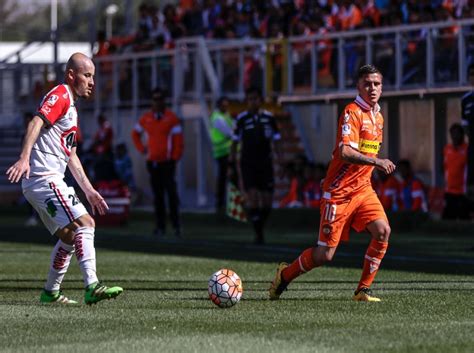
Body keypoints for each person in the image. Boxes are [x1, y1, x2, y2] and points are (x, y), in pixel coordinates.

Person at [269, 64, 396, 302]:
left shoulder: (378, 117)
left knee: (383, 231)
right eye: (367, 83)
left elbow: (343, 154)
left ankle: (362, 290)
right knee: (324, 255)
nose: (372, 88)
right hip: (338, 194)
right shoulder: (351, 112)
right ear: (358, 86)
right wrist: (377, 162)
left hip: (363, 190)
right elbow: (345, 151)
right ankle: (284, 275)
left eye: (376, 84)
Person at [6, 53, 123, 305]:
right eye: (87, 75)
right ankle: (92, 285)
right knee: (86, 224)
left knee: (70, 237)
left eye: (93, 76)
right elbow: (35, 122)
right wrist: (24, 157)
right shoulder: (60, 94)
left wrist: (89, 190)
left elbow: (70, 154)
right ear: (71, 75)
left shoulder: (71, 106)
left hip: (41, 181)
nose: (92, 82)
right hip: (43, 177)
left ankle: (50, 292)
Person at [230, 86, 283, 245]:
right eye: (250, 99)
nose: (253, 102)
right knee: (252, 198)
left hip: (266, 164)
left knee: (267, 202)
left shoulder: (270, 118)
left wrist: (280, 160)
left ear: (261, 100)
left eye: (256, 99)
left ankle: (259, 227)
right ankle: (258, 234)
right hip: (248, 164)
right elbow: (234, 143)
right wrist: (232, 164)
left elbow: (277, 141)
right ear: (247, 101)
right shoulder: (241, 119)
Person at [131, 88, 184, 238]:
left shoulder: (171, 118)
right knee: (158, 196)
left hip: (167, 163)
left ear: (164, 101)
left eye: (160, 99)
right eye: (155, 99)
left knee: (171, 195)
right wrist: (142, 149)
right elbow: (135, 133)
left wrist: (174, 157)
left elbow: (178, 141)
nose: (157, 102)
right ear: (152, 102)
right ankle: (160, 226)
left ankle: (176, 226)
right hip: (153, 163)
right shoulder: (146, 118)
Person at [209, 96, 234, 213]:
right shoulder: (218, 118)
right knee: (225, 178)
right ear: (219, 105)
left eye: (226, 105)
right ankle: (221, 203)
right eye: (223, 105)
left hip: (227, 151)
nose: (225, 107)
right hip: (223, 152)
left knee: (228, 177)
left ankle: (229, 203)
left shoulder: (225, 116)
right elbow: (230, 133)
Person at [442, 123, 470, 220]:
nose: (455, 136)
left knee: (464, 218)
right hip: (449, 190)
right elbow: (444, 167)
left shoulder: (467, 149)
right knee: (448, 219)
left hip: (463, 191)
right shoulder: (447, 149)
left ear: (462, 135)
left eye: (457, 133)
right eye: (453, 134)